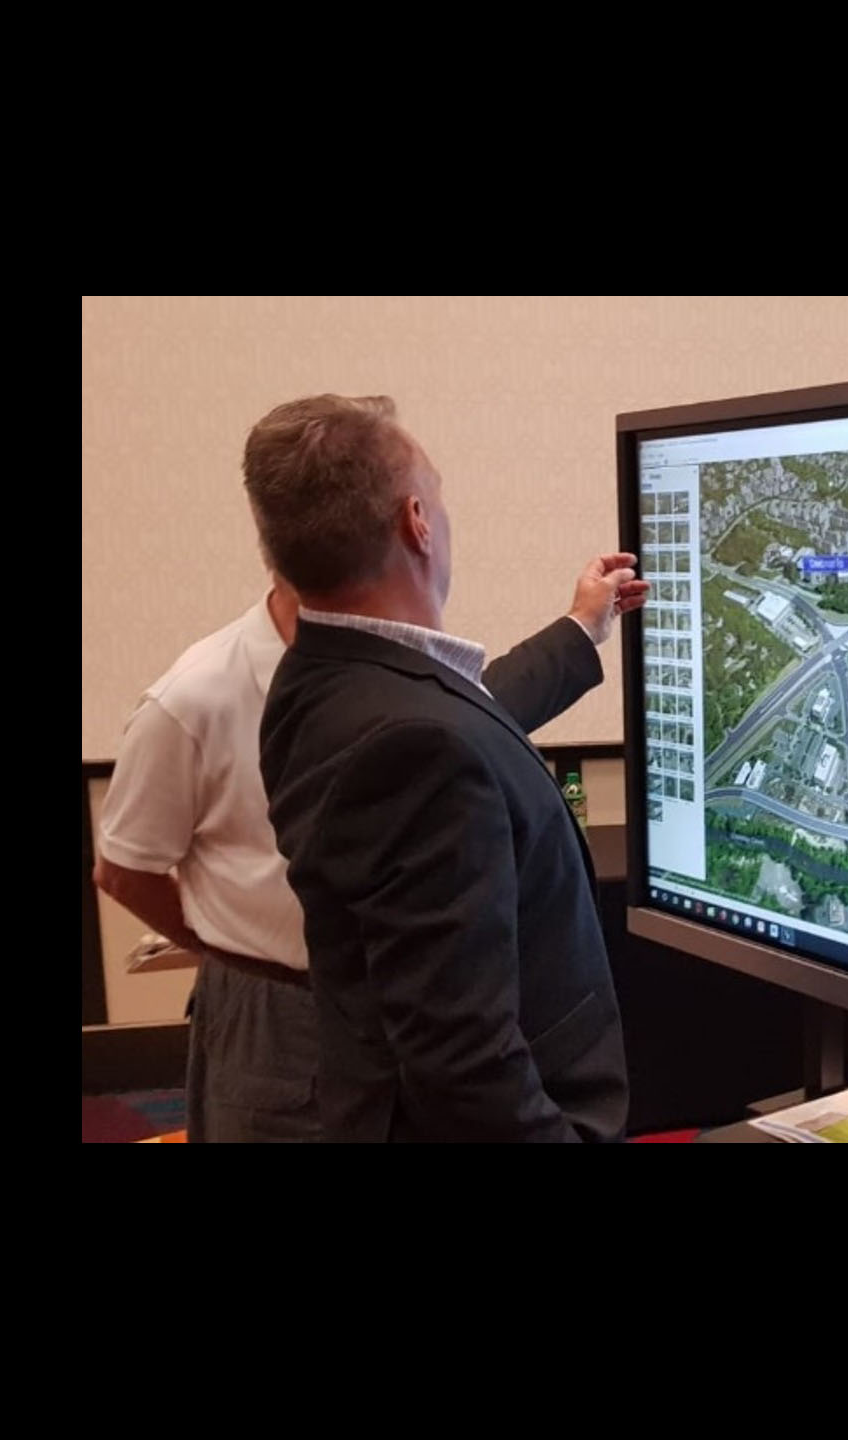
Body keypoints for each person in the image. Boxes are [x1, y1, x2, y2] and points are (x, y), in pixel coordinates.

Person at [93, 544, 641, 1143]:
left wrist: (583, 626)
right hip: (279, 1008)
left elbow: (476, 711)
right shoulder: (192, 697)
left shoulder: (381, 669)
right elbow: (123, 870)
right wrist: (231, 949)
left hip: (395, 997)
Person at [249, 394, 642, 1143]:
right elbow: (463, 1063)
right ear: (415, 521)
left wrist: (581, 628)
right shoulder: (416, 747)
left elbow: (461, 710)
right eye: (437, 491)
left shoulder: (319, 681)